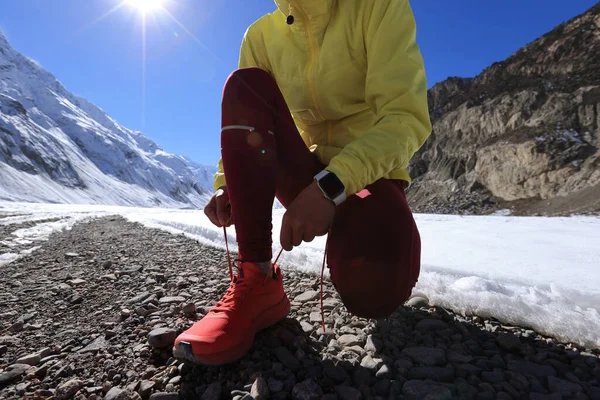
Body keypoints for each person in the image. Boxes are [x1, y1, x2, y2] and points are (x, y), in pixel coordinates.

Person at [173, 0, 431, 366]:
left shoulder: (378, 6)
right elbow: (248, 121)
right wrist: (227, 182)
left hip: (364, 182)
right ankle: (257, 280)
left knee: (375, 289)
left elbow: (405, 118)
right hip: (302, 176)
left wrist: (332, 186)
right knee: (246, 85)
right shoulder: (260, 36)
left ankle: (370, 234)